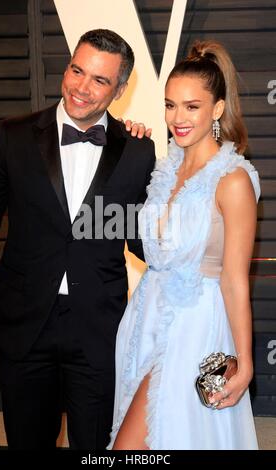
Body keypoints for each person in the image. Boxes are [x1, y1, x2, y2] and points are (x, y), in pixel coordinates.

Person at [0, 29, 156, 449]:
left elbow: (143, 239)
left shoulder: (137, 150)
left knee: (94, 448)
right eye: (78, 70)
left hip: (97, 328)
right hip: (23, 323)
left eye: (99, 80)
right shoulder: (13, 135)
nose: (81, 87)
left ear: (120, 90)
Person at [108, 40, 260, 450]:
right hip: (145, 319)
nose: (178, 117)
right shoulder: (163, 167)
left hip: (195, 328)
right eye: (171, 105)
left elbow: (234, 279)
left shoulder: (233, 180)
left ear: (217, 109)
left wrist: (245, 363)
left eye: (192, 106)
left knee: (135, 446)